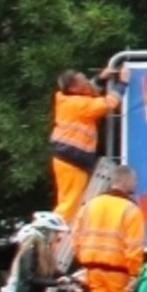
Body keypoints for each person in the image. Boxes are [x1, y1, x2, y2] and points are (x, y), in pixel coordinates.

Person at [73, 165, 145, 292]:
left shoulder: (90, 205)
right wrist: (134, 274)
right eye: (134, 180)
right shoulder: (130, 209)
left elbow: (76, 238)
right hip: (118, 272)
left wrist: (84, 260)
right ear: (124, 180)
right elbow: (134, 247)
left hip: (93, 271)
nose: (136, 183)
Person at [50, 64, 126, 221]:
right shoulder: (78, 105)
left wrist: (101, 78)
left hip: (70, 158)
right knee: (70, 202)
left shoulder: (67, 98)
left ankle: (60, 234)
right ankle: (57, 238)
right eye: (83, 81)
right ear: (73, 88)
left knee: (70, 200)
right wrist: (123, 83)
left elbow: (90, 91)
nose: (87, 83)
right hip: (71, 160)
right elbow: (109, 103)